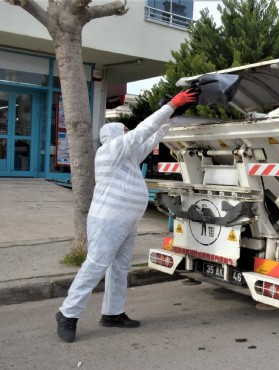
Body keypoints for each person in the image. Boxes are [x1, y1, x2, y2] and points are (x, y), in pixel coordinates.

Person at [55, 89, 198, 343]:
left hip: (126, 221)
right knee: (96, 265)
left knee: (119, 268)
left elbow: (150, 139)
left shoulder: (127, 157)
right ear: (114, 137)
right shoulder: (110, 151)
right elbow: (143, 131)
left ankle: (112, 313)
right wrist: (170, 105)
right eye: (124, 132)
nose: (128, 135)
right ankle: (68, 313)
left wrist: (171, 115)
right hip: (108, 220)